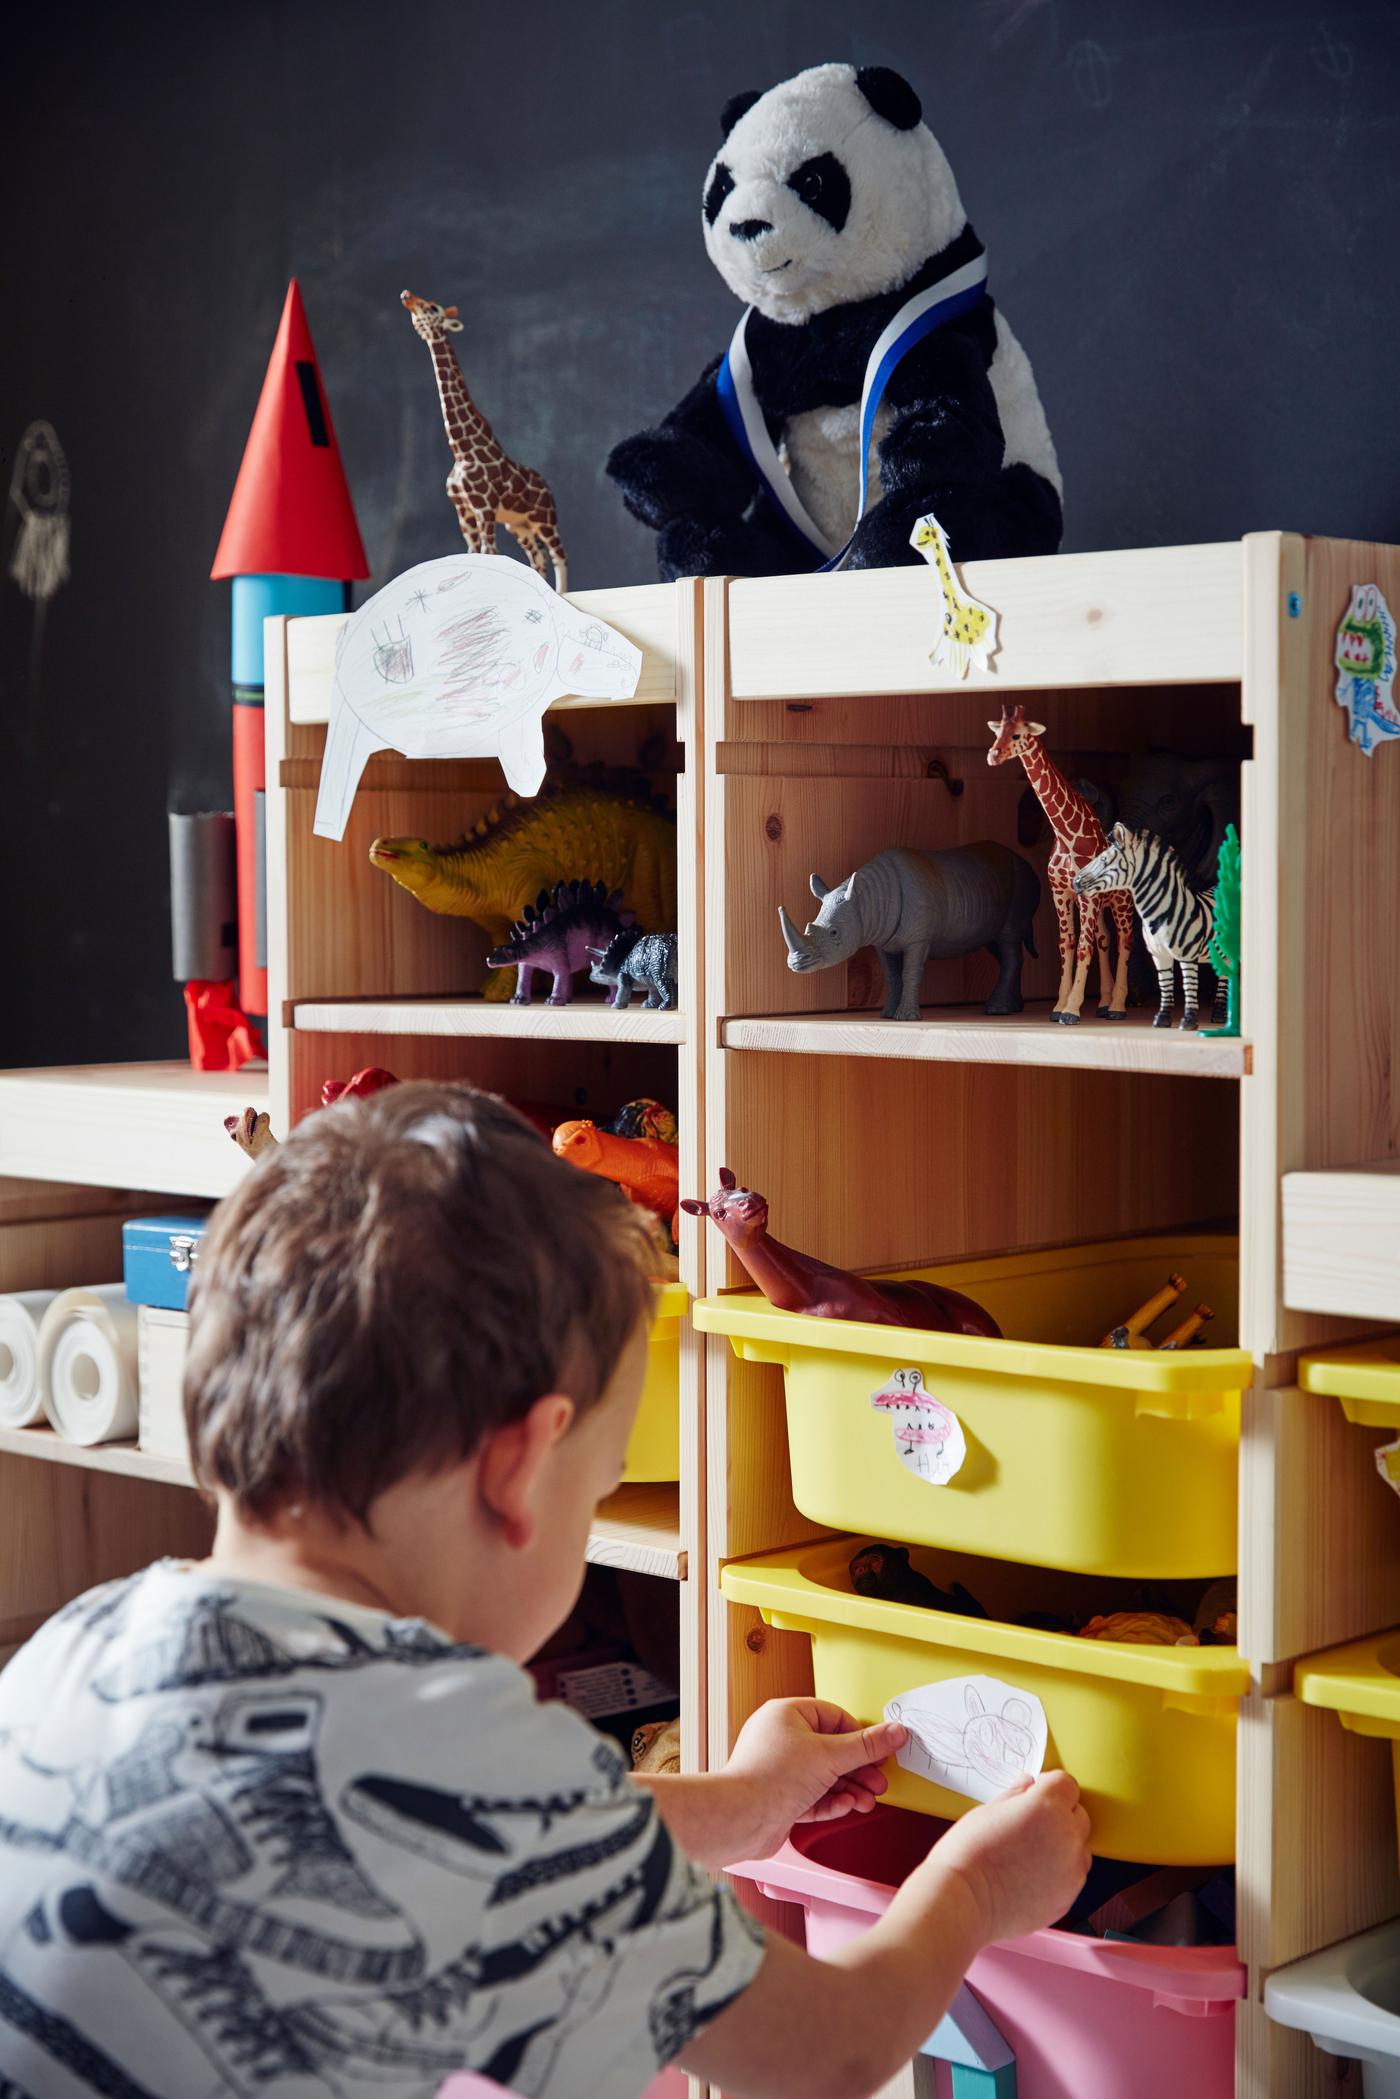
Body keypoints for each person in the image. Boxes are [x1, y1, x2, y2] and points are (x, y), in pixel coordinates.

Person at [0, 1084, 1089, 2099]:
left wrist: (742, 1803)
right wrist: (976, 1890)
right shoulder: (459, 1763)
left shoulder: (82, 1641)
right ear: (521, 1466)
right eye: (601, 1485)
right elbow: (828, 2047)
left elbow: (440, 1832)